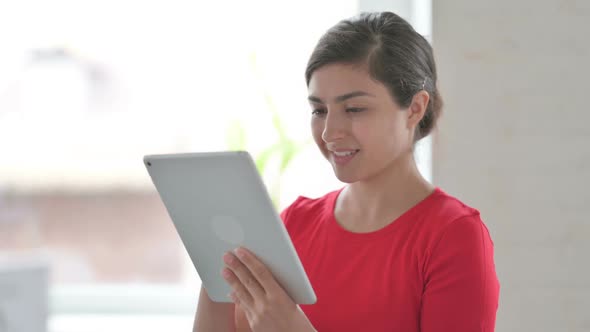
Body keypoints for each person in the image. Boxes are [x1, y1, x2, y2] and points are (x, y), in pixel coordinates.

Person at [193, 11, 500, 332]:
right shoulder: (293, 225)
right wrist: (212, 264)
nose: (329, 132)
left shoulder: (453, 236)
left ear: (415, 108)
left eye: (354, 109)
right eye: (319, 110)